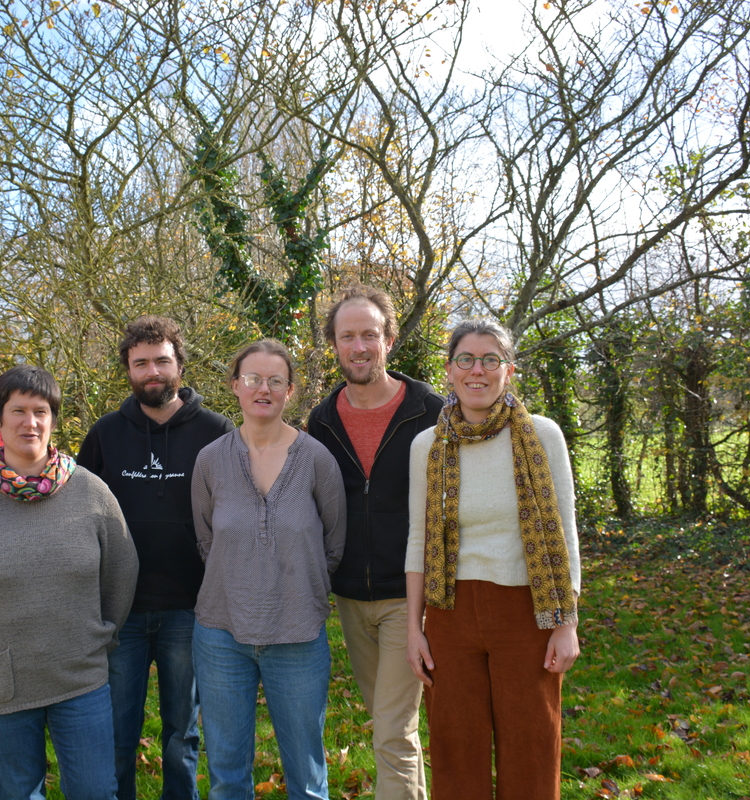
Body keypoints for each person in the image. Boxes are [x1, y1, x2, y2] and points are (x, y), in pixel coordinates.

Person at [0, 365, 139, 800]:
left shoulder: (91, 493)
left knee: (97, 791)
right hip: (2, 684)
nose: (30, 422)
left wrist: (100, 635)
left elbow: (121, 573)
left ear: (53, 419)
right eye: (18, 411)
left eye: (40, 411)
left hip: (79, 676)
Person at [405, 320, 581, 800]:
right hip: (449, 612)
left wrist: (566, 622)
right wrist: (415, 626)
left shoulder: (542, 436)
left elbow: (564, 534)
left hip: (528, 611)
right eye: (465, 359)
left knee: (531, 743)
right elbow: (417, 540)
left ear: (509, 371)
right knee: (455, 746)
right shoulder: (427, 446)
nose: (476, 370)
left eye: (489, 360)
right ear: (449, 370)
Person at [76, 316, 233, 800]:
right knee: (117, 733)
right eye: (140, 362)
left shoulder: (217, 433)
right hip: (120, 610)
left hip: (190, 608)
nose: (152, 371)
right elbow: (77, 515)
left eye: (162, 360)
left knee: (181, 733)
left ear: (179, 365)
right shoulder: (105, 435)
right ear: (127, 369)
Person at [190, 340, 346, 800]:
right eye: (253, 379)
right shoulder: (210, 461)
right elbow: (205, 539)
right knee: (226, 775)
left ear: (290, 391)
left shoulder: (317, 460)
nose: (264, 388)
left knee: (307, 777)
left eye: (275, 380)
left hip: (297, 633)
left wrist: (297, 585)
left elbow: (333, 544)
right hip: (221, 635)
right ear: (234, 385)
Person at [306, 285, 443, 800]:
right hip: (350, 596)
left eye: (369, 334)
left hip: (411, 594)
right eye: (347, 337)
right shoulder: (322, 420)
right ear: (335, 346)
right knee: (391, 725)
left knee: (390, 728)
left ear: (389, 340)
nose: (359, 346)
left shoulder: (430, 409)